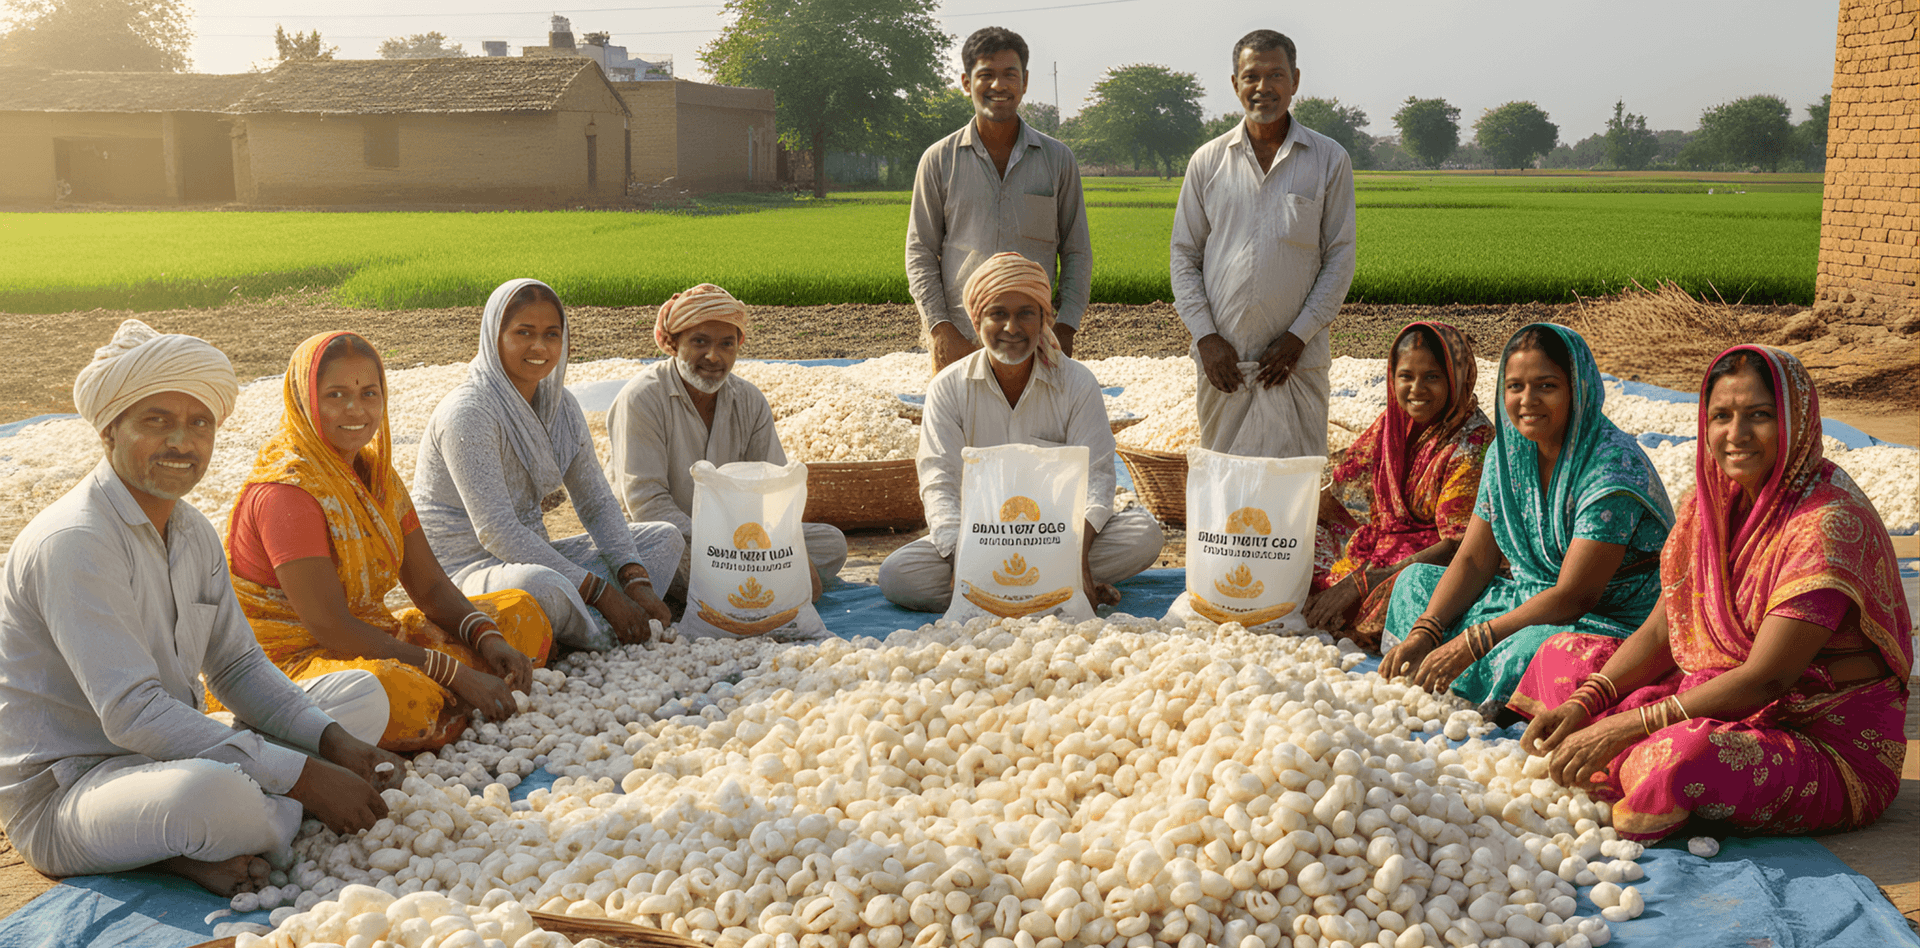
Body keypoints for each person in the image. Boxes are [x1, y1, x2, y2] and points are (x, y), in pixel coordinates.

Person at [0, 320, 402, 896]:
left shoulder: (189, 530)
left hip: (168, 752)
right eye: (156, 421)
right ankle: (209, 835)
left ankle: (231, 831)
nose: (182, 443)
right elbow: (134, 714)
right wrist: (306, 776)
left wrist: (332, 743)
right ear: (109, 431)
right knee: (214, 798)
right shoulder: (75, 541)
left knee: (359, 700)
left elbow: (235, 667)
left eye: (198, 423)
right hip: (74, 788)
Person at [1513, 347, 1910, 841]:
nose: (1736, 436)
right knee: (1561, 657)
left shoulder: (1827, 525)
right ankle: (1619, 758)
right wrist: (1588, 703)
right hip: (1711, 696)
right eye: (1721, 416)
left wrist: (1627, 726)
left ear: (1796, 421)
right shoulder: (1708, 502)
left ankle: (1628, 767)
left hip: (1815, 735)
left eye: (1760, 416)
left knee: (1677, 759)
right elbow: (1664, 626)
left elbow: (1767, 679)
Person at [223, 331, 553, 753]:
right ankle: (448, 700)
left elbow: (430, 586)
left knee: (519, 615)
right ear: (304, 400)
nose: (355, 410)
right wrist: (454, 673)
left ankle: (452, 703)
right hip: (297, 662)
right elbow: (332, 628)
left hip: (374, 633)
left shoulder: (376, 475)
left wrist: (487, 638)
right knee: (389, 693)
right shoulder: (287, 493)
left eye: (369, 393)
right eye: (336, 395)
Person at [1380, 324, 1674, 709]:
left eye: (1546, 386)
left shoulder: (1612, 469)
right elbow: (1472, 558)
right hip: (1531, 597)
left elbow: (1574, 595)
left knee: (1536, 650)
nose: (1527, 400)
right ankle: (1443, 671)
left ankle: (1493, 699)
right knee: (1415, 584)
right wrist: (1427, 631)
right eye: (1515, 387)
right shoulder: (1507, 454)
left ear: (1577, 390)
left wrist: (1475, 640)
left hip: (1607, 618)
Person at [879, 252, 1163, 612]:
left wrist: (1076, 556)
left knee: (1144, 536)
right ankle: (1056, 589)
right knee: (898, 575)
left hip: (1061, 534)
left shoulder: (1076, 383)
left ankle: (1019, 587)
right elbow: (940, 481)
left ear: (1043, 319)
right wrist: (958, 557)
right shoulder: (949, 387)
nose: (1012, 328)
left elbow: (1097, 480)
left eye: (1026, 313)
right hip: (981, 536)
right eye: (998, 313)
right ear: (977, 320)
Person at [413, 279, 684, 652]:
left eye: (551, 334)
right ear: (494, 337)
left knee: (663, 539)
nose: (539, 347)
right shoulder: (469, 412)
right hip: (466, 574)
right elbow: (496, 532)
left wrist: (635, 580)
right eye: (524, 333)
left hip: (535, 553)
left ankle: (580, 626)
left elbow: (596, 503)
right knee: (543, 586)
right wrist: (603, 593)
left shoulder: (562, 407)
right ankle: (600, 634)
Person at [1170, 29, 1356, 459]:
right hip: (1224, 362)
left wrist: (1297, 337)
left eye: (1275, 75)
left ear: (1294, 79)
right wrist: (1205, 337)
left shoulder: (1328, 159)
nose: (1263, 88)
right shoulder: (1208, 161)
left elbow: (1339, 256)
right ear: (1235, 83)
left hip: (1297, 360)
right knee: (1225, 480)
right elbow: (1184, 255)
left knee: (1295, 484)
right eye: (1251, 76)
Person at [606, 283, 847, 601]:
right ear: (674, 343)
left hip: (740, 541)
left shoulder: (749, 400)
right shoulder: (643, 397)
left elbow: (773, 489)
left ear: (738, 346)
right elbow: (647, 505)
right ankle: (757, 582)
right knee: (664, 552)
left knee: (830, 544)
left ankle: (736, 583)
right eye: (699, 342)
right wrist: (732, 546)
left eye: (726, 344)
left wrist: (778, 542)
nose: (713, 356)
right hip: (667, 536)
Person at [907, 26, 1092, 372]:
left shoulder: (1057, 159)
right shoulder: (939, 160)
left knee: (1038, 425)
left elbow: (1077, 250)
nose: (998, 85)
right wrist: (941, 328)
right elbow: (920, 251)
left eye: (1009, 74)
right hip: (961, 336)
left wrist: (1066, 326)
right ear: (966, 82)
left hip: (1036, 335)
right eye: (986, 75)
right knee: (962, 425)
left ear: (1024, 80)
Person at [1303, 323, 1493, 648]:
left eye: (1432, 376)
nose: (1416, 389)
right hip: (1379, 545)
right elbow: (1342, 490)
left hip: (1434, 559)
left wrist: (1360, 583)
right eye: (1406, 376)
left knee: (1403, 594)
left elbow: (1459, 546)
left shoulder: (1473, 443)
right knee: (1293, 551)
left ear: (1458, 377)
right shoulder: (1392, 423)